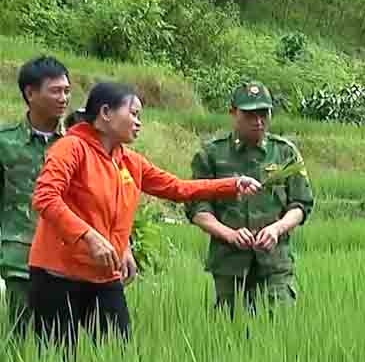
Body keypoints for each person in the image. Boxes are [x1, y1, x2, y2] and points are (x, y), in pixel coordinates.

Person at [27, 82, 262, 347]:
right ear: (106, 113)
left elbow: (178, 188)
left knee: (117, 357)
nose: (139, 123)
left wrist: (232, 184)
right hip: (57, 276)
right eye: (134, 114)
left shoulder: (128, 161)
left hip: (104, 275)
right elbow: (45, 197)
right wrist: (89, 237)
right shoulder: (71, 148)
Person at [0, 57, 138, 337]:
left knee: (82, 347)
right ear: (30, 93)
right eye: (55, 91)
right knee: (24, 342)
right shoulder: (5, 143)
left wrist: (123, 245)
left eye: (67, 91)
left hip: (77, 261)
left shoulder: (86, 140)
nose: (63, 98)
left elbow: (111, 197)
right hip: (20, 258)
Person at [186, 81, 314, 316]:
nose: (258, 121)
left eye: (264, 114)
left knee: (278, 331)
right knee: (230, 334)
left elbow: (301, 204)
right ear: (233, 113)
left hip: (275, 264)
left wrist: (276, 229)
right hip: (229, 263)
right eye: (250, 115)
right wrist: (229, 234)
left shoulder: (285, 152)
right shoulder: (212, 155)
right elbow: (197, 209)